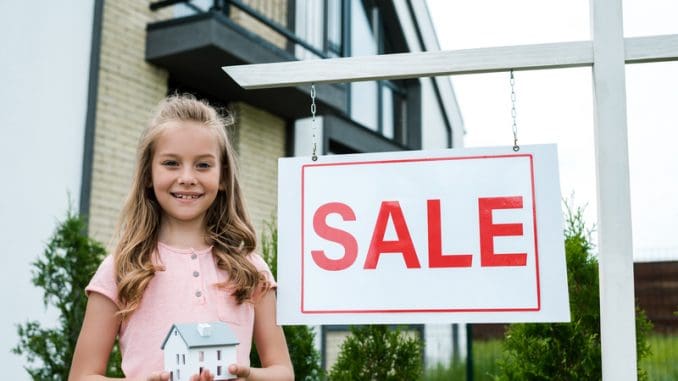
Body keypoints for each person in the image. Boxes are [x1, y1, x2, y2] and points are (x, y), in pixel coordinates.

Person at [68, 94, 294, 381]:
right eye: (171, 163)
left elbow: (283, 372)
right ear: (148, 174)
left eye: (203, 165)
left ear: (223, 177)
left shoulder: (252, 270)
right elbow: (82, 376)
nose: (187, 177)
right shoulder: (120, 269)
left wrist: (247, 376)